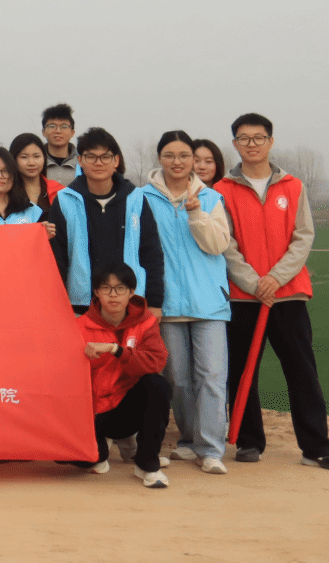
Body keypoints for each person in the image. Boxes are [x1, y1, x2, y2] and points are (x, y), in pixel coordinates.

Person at [214, 113, 327, 467]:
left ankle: (316, 446)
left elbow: (303, 236)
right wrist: (253, 282)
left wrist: (275, 278)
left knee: (302, 370)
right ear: (235, 143)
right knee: (242, 370)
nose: (252, 144)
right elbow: (226, 243)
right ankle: (249, 442)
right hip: (242, 296)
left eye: (258, 137)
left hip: (287, 294)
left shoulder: (293, 186)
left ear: (270, 141)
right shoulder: (222, 190)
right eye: (244, 138)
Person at [124, 131, 232, 473]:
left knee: (212, 376)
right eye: (169, 155)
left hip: (208, 303)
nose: (177, 162)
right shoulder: (141, 198)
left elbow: (218, 245)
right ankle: (188, 441)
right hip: (166, 305)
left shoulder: (211, 197)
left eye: (184, 155)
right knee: (178, 380)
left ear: (193, 159)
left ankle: (211, 449)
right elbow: (136, 249)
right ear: (160, 158)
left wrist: (197, 214)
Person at [73, 263, 171, 487]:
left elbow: (156, 361)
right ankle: (99, 452)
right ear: (96, 292)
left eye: (120, 288)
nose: (113, 295)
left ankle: (147, 465)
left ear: (131, 292)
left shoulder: (146, 322)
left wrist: (116, 350)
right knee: (77, 459)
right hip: (92, 413)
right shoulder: (79, 327)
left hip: (127, 410)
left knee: (158, 385)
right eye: (106, 288)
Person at [51, 128, 164, 314]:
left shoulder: (135, 199)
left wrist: (154, 302)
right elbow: (57, 258)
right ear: (80, 161)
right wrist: (57, 306)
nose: (99, 163)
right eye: (91, 157)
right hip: (81, 305)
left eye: (105, 157)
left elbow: (151, 253)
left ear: (116, 161)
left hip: (130, 303)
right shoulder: (65, 200)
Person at [9, 131, 64, 227]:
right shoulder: (6, 192)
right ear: (14, 159)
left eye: (36, 156)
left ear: (44, 158)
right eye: (24, 157)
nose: (31, 163)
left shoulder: (59, 190)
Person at [41, 104, 80, 186]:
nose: (58, 131)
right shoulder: (36, 162)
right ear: (43, 132)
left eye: (64, 126)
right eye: (52, 126)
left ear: (72, 133)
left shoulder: (82, 162)